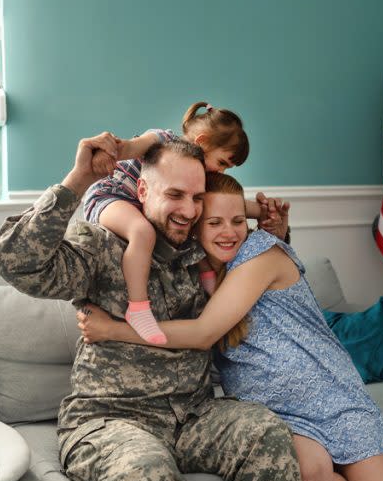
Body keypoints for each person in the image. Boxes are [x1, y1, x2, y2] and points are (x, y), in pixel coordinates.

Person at [78, 173, 383, 481]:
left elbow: (201, 334)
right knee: (308, 480)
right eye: (214, 222)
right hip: (276, 412)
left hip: (331, 394)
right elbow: (153, 207)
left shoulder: (263, 253)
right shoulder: (197, 275)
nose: (230, 231)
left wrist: (114, 330)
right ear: (195, 224)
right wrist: (244, 209)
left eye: (238, 220)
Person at [0, 133, 302, 481]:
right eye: (174, 195)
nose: (187, 209)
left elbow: (264, 281)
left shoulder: (205, 251)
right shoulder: (103, 247)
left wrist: (279, 232)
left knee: (264, 431)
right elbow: (17, 263)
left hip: (195, 414)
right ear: (142, 193)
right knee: (146, 475)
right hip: (111, 421)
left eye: (197, 197)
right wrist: (78, 181)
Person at [81, 102, 288, 345]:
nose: (222, 172)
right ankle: (138, 308)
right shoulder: (162, 140)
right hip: (112, 196)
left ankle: (211, 289)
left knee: (194, 242)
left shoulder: (196, 175)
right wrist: (105, 151)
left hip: (138, 202)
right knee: (142, 232)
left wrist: (264, 210)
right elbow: (128, 147)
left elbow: (225, 204)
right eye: (222, 163)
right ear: (201, 142)